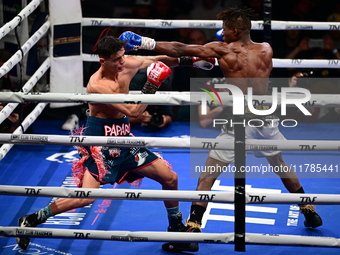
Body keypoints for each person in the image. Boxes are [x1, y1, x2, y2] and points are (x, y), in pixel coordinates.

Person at [119, 6, 323, 253]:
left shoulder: (223, 50)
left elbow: (180, 48)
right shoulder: (266, 50)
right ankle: (309, 212)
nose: (221, 33)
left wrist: (144, 42)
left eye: (225, 29)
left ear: (235, 30)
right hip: (266, 117)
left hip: (239, 121)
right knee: (279, 164)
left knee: (208, 174)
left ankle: (193, 230)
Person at [15, 36, 216, 251]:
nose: (122, 62)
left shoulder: (126, 62)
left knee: (170, 178)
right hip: (101, 143)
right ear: (103, 61)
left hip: (124, 138)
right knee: (85, 198)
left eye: (122, 56)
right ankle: (33, 219)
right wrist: (152, 84)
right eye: (116, 60)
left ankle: (175, 229)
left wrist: (190, 61)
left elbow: (159, 60)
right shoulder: (97, 85)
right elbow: (134, 111)